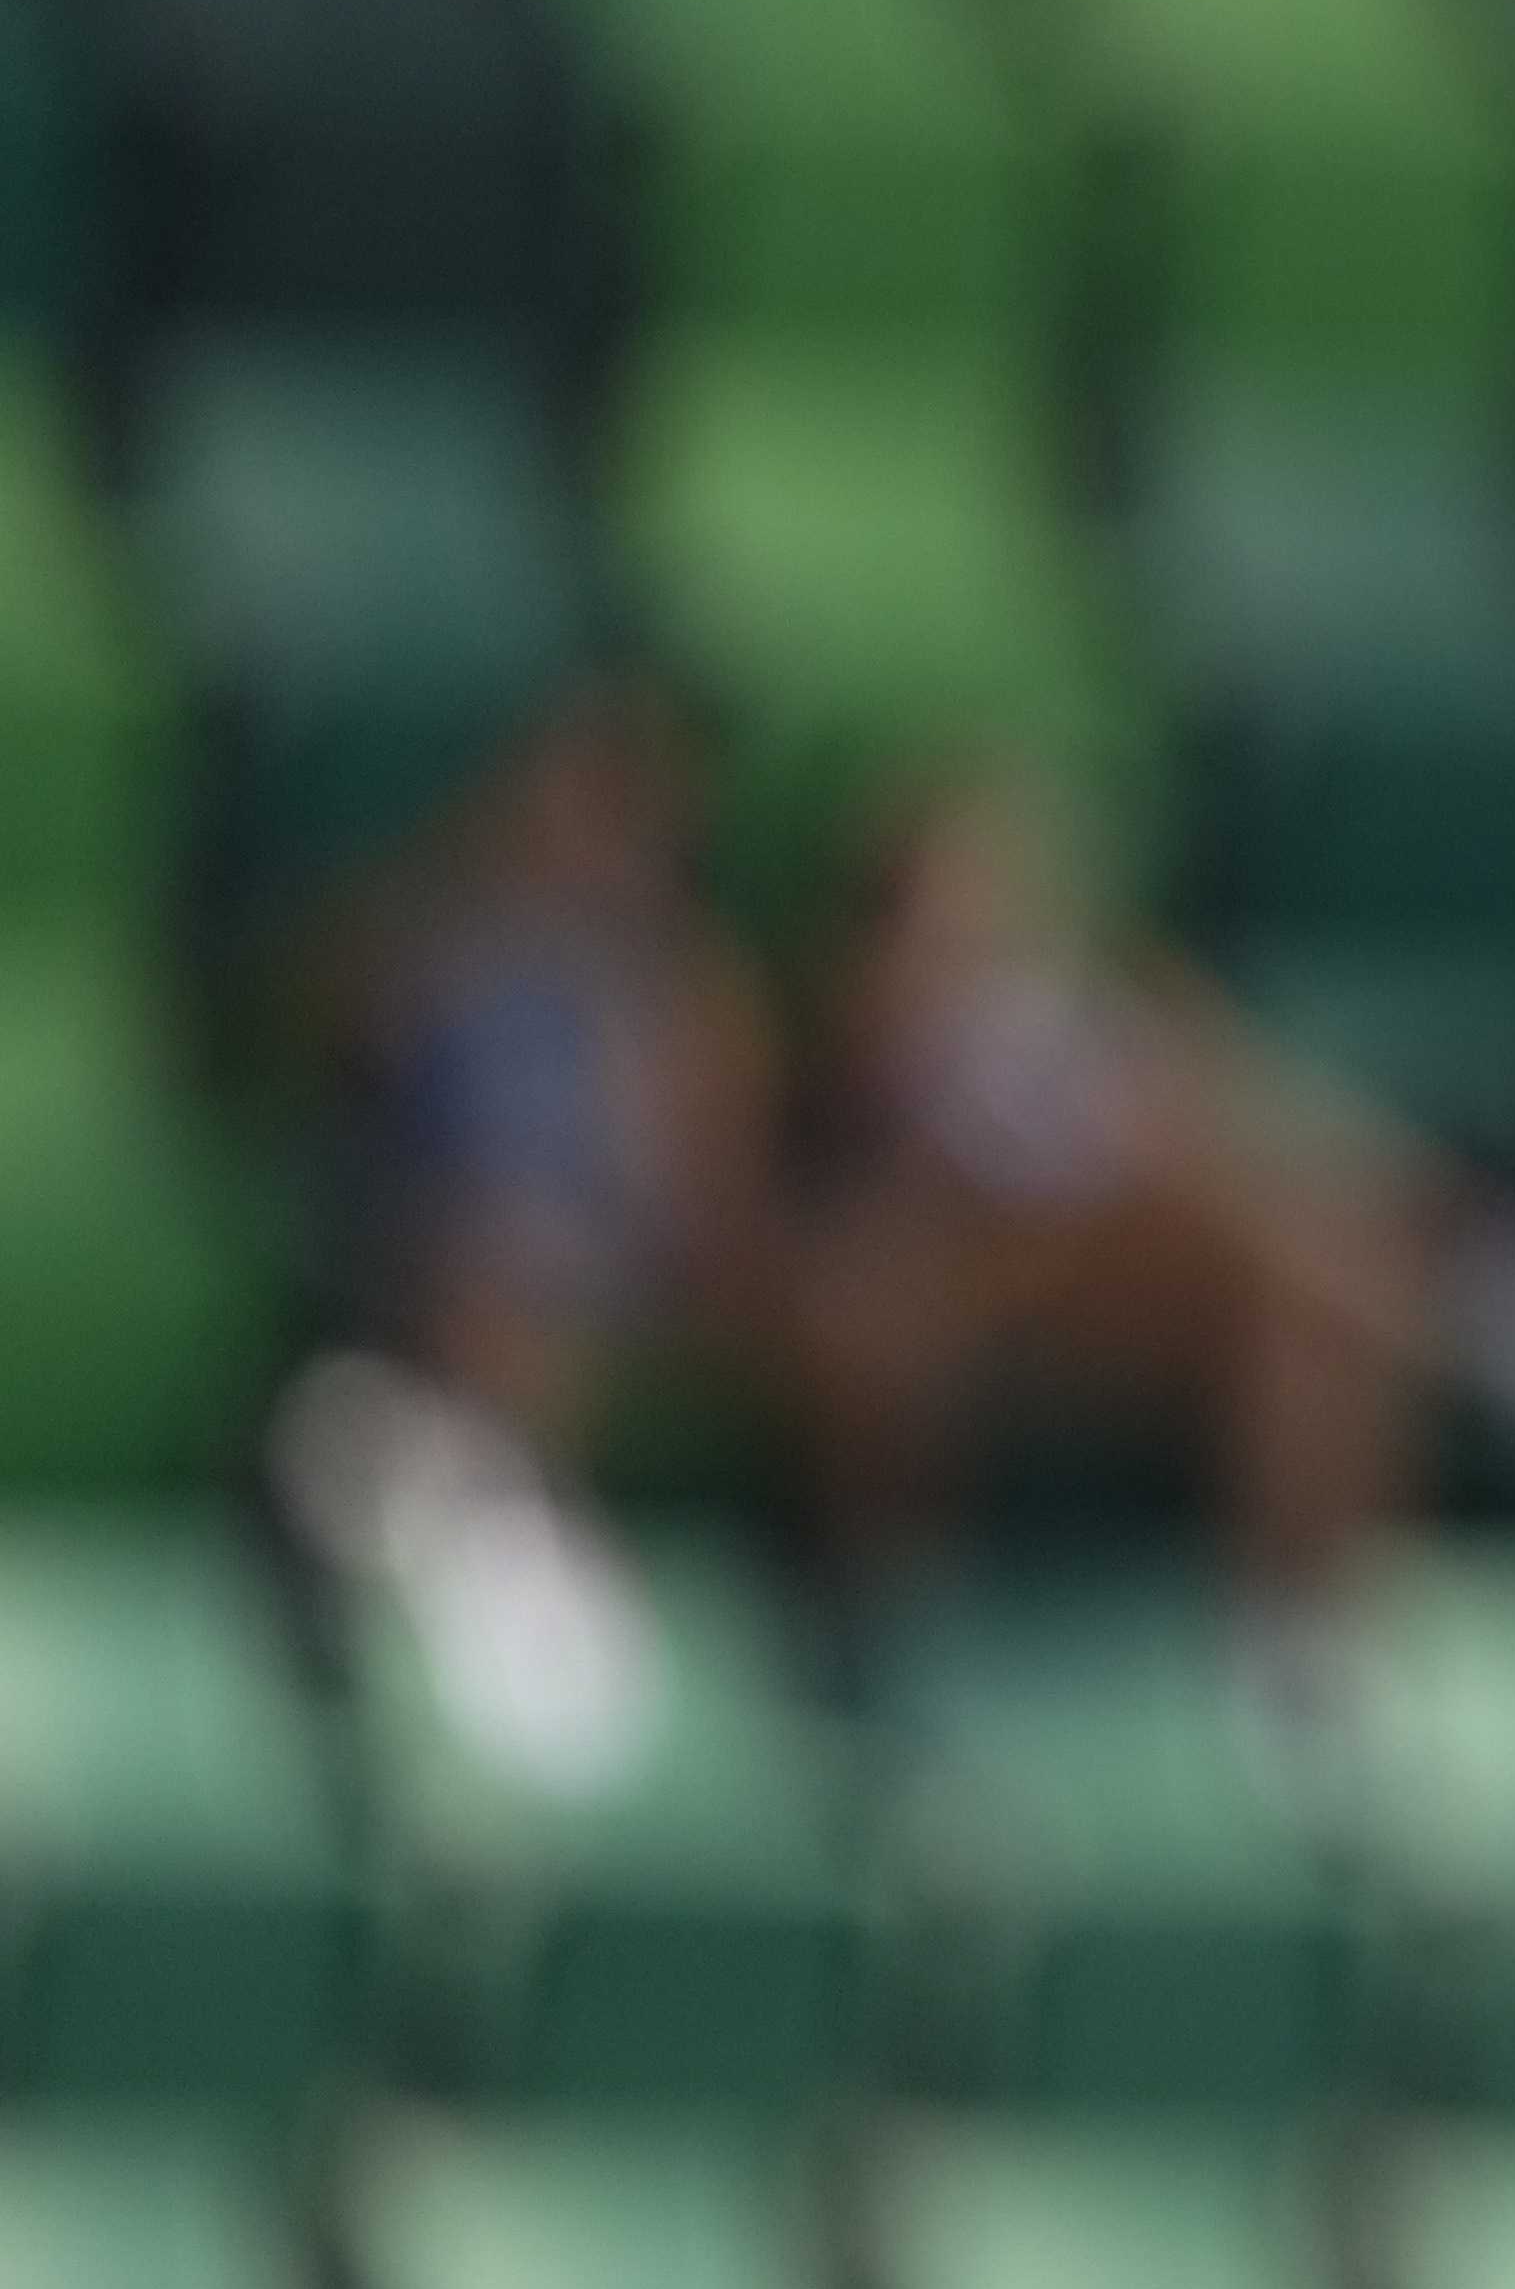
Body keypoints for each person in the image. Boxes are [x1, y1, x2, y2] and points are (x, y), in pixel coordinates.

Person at [780, 763, 1436, 1608]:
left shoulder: (1103, 996)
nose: (1001, 887)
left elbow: (1220, 1114)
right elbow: (922, 1173)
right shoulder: (880, 1012)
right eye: (970, 867)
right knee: (1293, 1246)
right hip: (973, 1272)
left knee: (1322, 1280)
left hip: (1132, 1268)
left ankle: (1310, 1630)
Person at [282, 681, 782, 1783]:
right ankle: (452, 1511)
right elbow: (317, 1051)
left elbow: (719, 1232)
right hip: (428, 1279)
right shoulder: (434, 946)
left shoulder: (694, 1002)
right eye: (564, 805)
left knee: (530, 1281)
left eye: (617, 818)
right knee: (486, 1272)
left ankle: (509, 1537)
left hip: (622, 1300)